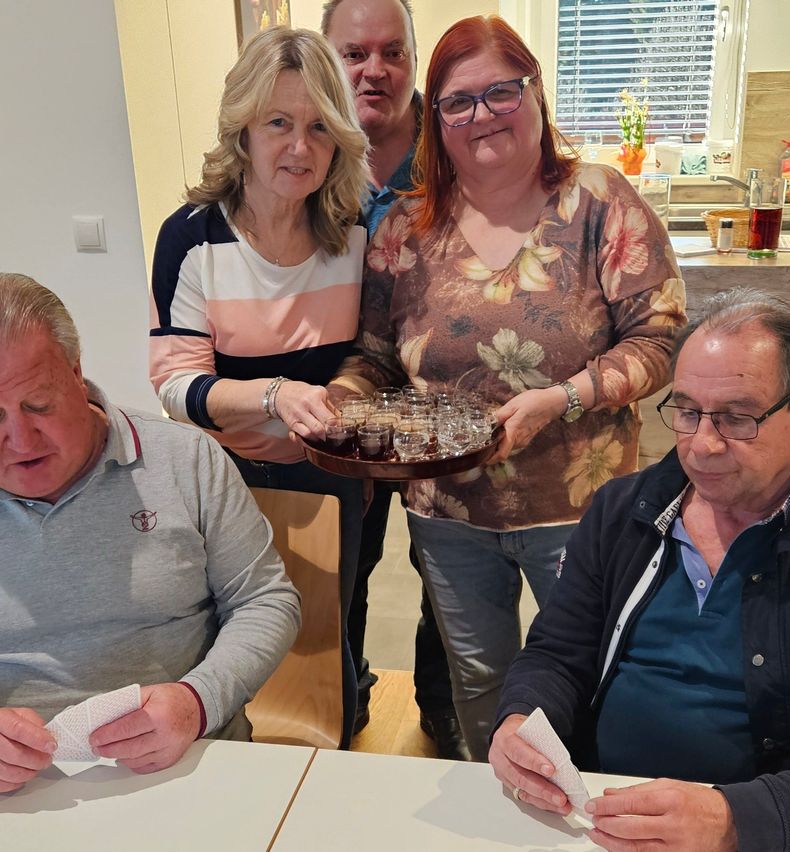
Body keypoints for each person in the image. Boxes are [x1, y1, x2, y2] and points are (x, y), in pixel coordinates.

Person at [332, 14, 686, 761]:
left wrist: (562, 398)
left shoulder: (598, 203)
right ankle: (498, 805)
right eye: (457, 101)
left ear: (536, 94)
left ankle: (586, 808)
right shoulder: (404, 229)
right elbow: (375, 354)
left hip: (582, 506)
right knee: (481, 680)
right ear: (437, 120)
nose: (480, 115)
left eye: (501, 92)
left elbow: (659, 338)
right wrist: (342, 396)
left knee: (590, 675)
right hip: (448, 508)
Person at [490, 288, 790, 852]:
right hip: (597, 820)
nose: (701, 445)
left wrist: (737, 818)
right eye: (686, 412)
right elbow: (559, 653)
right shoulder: (623, 509)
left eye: (735, 418)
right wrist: (520, 722)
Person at [148, 27, 367, 748]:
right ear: (242, 125)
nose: (299, 148)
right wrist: (274, 395)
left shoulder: (353, 232)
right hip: (225, 480)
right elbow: (177, 385)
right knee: (238, 644)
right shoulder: (192, 238)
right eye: (278, 123)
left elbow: (374, 351)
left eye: (317, 128)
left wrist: (345, 388)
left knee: (334, 637)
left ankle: (337, 755)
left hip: (333, 475)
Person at [0, 273, 300, 793]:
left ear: (76, 373)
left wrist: (197, 702)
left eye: (39, 405)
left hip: (189, 759)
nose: (20, 439)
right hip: (18, 787)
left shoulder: (184, 459)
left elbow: (265, 600)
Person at [322, 0, 465, 759]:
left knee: (443, 567)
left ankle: (442, 710)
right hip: (342, 407)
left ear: (414, 58)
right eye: (353, 54)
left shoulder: (455, 151)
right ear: (327, 58)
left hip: (446, 410)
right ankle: (345, 700)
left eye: (390, 52)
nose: (373, 70)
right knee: (344, 562)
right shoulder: (309, 159)